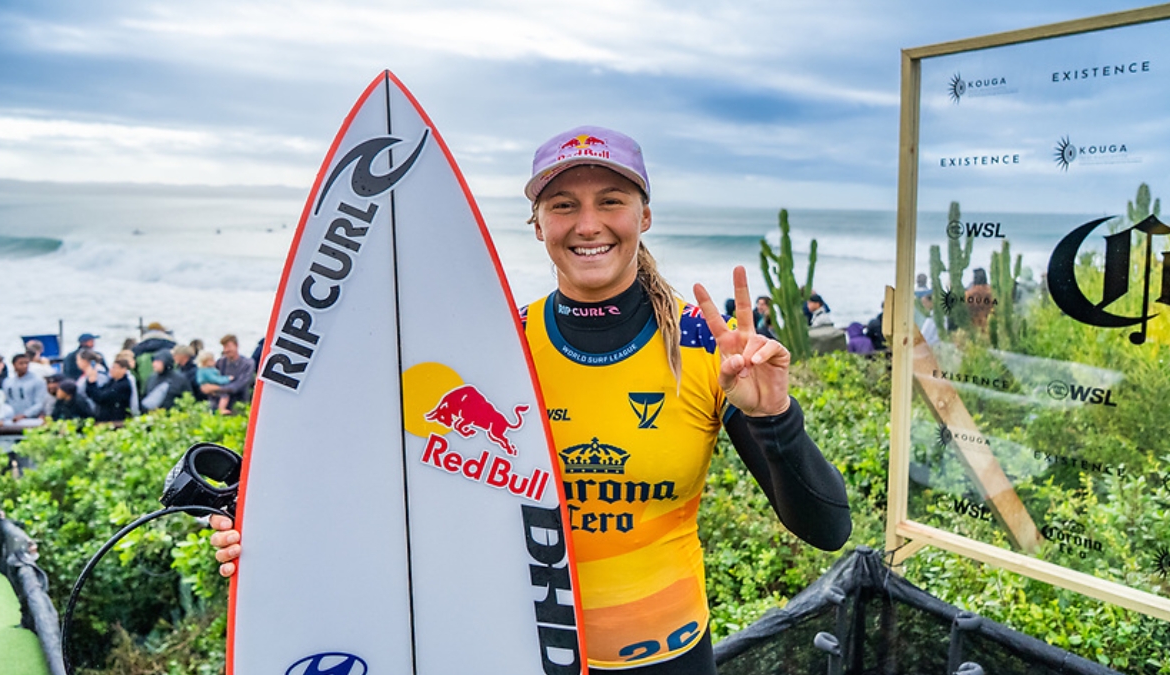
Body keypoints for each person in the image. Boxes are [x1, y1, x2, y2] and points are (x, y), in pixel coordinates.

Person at [209, 125, 851, 674]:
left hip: (667, 657)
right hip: (515, 650)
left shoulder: (705, 346)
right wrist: (272, 535)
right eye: (564, 205)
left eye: (611, 201)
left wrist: (774, 418)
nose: (588, 224)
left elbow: (827, 530)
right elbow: (399, 493)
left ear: (644, 216)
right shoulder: (502, 347)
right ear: (538, 224)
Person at [200, 335, 255, 413]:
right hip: (218, 403)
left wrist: (216, 388)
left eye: (228, 346)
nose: (226, 350)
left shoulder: (248, 364)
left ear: (236, 346)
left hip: (240, 403)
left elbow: (238, 385)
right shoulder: (220, 362)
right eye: (224, 347)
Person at [0, 354, 47, 423]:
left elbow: (40, 403)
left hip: (32, 420)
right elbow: (6, 402)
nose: (25, 366)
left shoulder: (37, 381)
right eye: (21, 363)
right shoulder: (7, 382)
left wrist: (25, 415)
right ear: (14, 365)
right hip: (11, 420)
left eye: (26, 363)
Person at [84, 356, 133, 422]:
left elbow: (101, 398)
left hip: (116, 420)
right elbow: (95, 393)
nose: (111, 370)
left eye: (114, 368)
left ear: (123, 370)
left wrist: (92, 383)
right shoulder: (111, 382)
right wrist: (90, 382)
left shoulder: (123, 385)